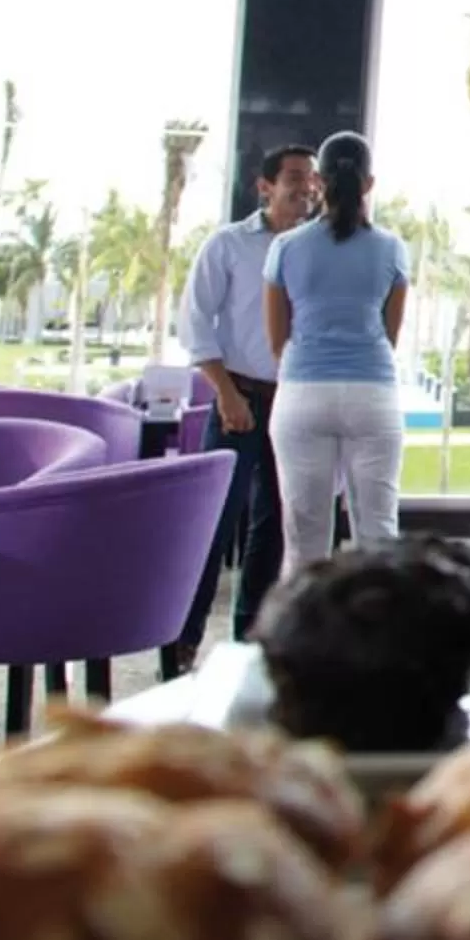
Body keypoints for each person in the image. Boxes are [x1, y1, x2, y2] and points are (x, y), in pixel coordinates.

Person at [168, 144, 317, 663]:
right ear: (265, 186)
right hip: (239, 398)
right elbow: (195, 324)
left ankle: (249, 643)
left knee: (274, 527)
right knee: (214, 521)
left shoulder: (316, 247)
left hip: (294, 404)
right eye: (295, 177)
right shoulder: (228, 245)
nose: (306, 187)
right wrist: (226, 395)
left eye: (312, 178)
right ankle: (183, 638)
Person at [264, 131, 411, 577]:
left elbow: (277, 341)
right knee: (379, 533)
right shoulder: (392, 248)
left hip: (302, 396)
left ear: (319, 182)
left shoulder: (285, 247)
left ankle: (302, 642)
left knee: (304, 539)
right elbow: (390, 334)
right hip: (374, 396)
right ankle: (382, 642)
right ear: (369, 184)